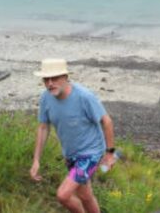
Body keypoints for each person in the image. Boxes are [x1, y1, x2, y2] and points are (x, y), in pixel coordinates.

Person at [29, 58, 116, 213]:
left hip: (91, 153)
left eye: (54, 78)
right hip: (71, 155)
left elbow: (107, 121)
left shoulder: (84, 97)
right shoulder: (46, 98)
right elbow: (43, 128)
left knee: (63, 195)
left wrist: (110, 155)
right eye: (46, 79)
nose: (50, 83)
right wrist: (36, 160)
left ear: (65, 77)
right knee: (85, 195)